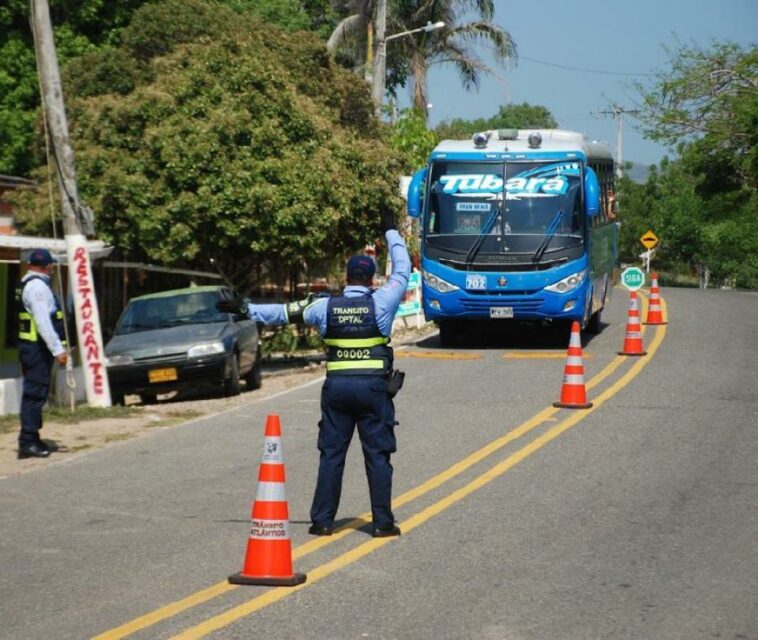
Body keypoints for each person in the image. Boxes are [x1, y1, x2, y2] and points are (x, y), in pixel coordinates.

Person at [217, 208, 410, 537]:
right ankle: (382, 524)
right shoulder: (383, 301)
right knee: (377, 455)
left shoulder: (323, 306)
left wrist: (243, 307)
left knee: (332, 455)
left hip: (337, 389)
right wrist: (391, 231)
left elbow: (281, 313)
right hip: (373, 390)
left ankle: (322, 522)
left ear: (347, 279)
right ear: (372, 278)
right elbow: (403, 268)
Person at [15, 248, 68, 459]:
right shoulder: (38, 288)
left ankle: (32, 437)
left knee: (36, 392)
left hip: (31, 348)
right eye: (52, 266)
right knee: (34, 394)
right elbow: (43, 322)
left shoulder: (26, 283)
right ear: (48, 266)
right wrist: (58, 350)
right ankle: (27, 442)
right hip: (36, 349)